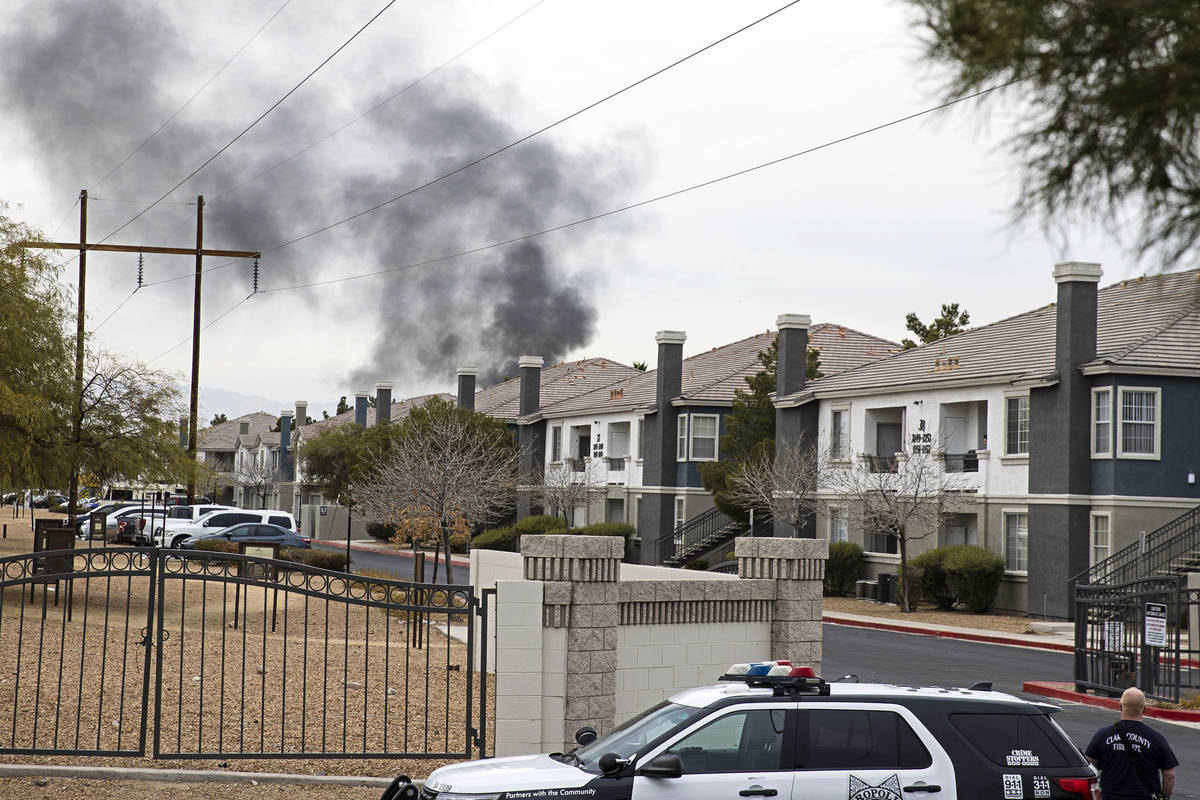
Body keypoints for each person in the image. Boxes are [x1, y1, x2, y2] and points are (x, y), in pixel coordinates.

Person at [1085, 687, 1179, 800]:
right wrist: (1165, 797)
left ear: (1120, 707)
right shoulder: (1156, 738)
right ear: (1144, 709)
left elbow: (1089, 766)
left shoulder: (1102, 735)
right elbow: (1169, 775)